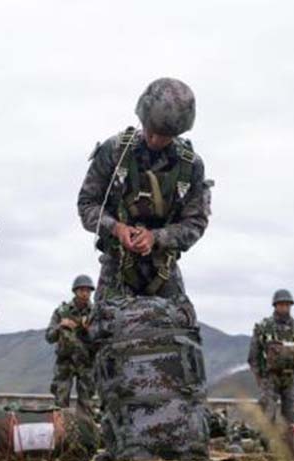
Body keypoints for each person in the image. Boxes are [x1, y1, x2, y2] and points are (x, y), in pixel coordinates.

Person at [77, 77, 212, 302]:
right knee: (104, 332)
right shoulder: (115, 151)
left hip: (163, 270)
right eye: (152, 130)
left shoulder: (190, 166)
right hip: (116, 268)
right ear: (143, 118)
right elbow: (87, 204)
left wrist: (156, 237)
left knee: (180, 331)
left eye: (165, 135)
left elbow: (196, 222)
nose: (156, 139)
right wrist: (116, 228)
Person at [248, 289, 294, 424]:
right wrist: (261, 377)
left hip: (290, 378)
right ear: (275, 305)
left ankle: (291, 445)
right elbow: (253, 356)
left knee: (293, 420)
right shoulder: (264, 327)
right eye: (281, 304)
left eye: (287, 305)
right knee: (267, 418)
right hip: (270, 378)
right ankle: (267, 444)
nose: (284, 307)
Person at [45, 275, 96, 418]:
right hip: (65, 363)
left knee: (87, 405)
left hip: (87, 363)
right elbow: (49, 337)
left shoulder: (95, 313)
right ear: (75, 291)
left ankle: (86, 436)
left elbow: (102, 338)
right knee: (60, 404)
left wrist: (89, 329)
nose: (85, 293)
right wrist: (61, 326)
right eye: (82, 290)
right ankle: (61, 436)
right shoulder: (62, 312)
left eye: (88, 290)